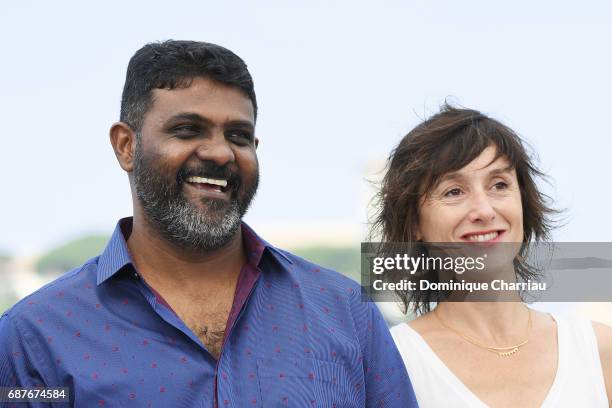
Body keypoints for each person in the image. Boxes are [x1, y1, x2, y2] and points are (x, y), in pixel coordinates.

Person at [0, 40, 417, 407]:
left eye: (238, 136)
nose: (220, 153)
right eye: (186, 130)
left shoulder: (343, 310)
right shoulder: (33, 335)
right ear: (127, 146)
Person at [372, 104, 611, 407]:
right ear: (414, 222)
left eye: (499, 185)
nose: (484, 211)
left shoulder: (599, 351)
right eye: (453, 191)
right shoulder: (392, 364)